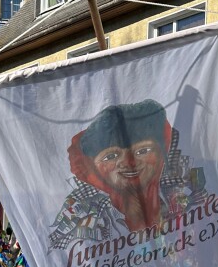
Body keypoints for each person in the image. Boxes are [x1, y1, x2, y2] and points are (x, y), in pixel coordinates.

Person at [48, 99, 207, 250]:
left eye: (143, 151)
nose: (129, 162)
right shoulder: (87, 220)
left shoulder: (186, 195)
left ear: (161, 154)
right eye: (111, 156)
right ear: (93, 168)